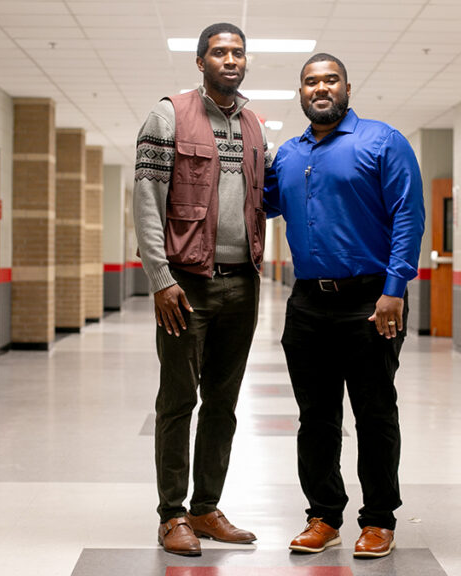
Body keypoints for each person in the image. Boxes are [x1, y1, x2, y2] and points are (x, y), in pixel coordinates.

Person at [263, 53, 424, 559]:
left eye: (330, 79)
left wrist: (394, 289)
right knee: (316, 417)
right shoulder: (288, 156)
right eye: (311, 82)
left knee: (374, 414)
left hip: (371, 300)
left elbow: (408, 216)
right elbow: (251, 204)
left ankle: (378, 520)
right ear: (301, 93)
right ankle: (323, 516)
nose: (321, 88)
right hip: (309, 303)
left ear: (347, 87)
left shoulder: (382, 142)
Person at [133, 22, 270, 557]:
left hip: (243, 283)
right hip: (186, 285)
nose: (230, 60)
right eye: (219, 52)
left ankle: (206, 508)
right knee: (178, 399)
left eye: (237, 52)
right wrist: (160, 278)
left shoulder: (256, 125)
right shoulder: (168, 115)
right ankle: (172, 515)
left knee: (223, 402)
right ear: (200, 62)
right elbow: (148, 200)